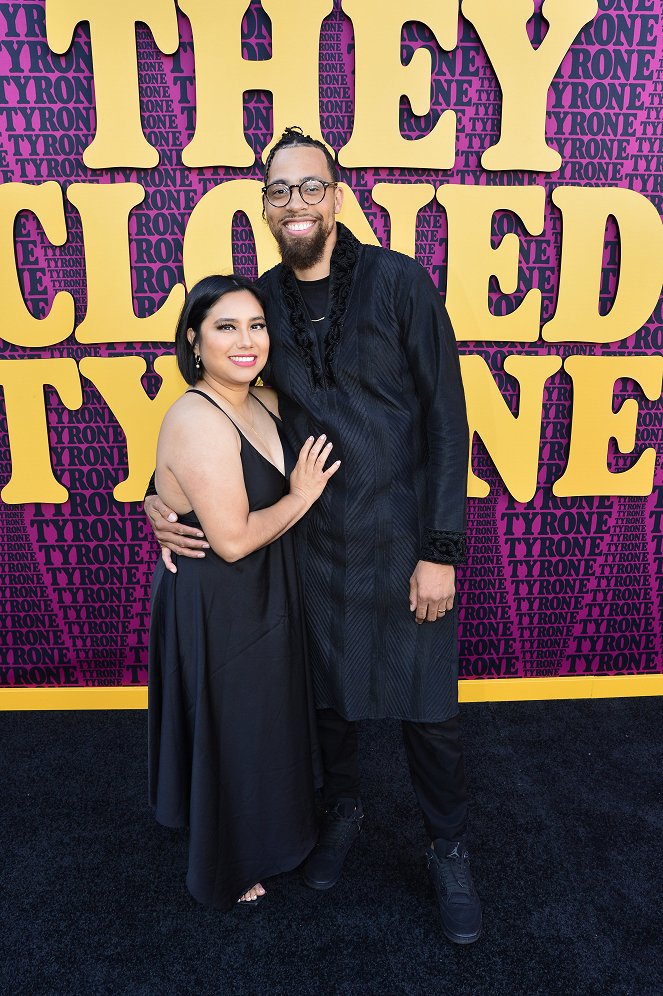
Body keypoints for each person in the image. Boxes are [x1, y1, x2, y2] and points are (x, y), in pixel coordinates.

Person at [145, 128, 482, 943]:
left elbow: (446, 423)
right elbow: (216, 414)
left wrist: (439, 552)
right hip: (307, 549)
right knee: (326, 708)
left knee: (427, 715)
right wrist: (163, 502)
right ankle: (342, 814)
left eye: (309, 187)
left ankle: (448, 851)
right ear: (263, 206)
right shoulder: (256, 304)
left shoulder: (402, 284)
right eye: (278, 191)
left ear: (335, 195)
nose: (294, 203)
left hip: (403, 545)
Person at [148, 273, 340, 910]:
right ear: (195, 342)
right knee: (236, 725)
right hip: (221, 596)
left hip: (267, 584)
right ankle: (227, 861)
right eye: (225, 327)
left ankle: (276, 832)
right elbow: (230, 541)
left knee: (266, 720)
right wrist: (303, 496)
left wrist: (157, 502)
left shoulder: (265, 402)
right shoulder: (196, 416)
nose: (246, 340)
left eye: (255, 325)